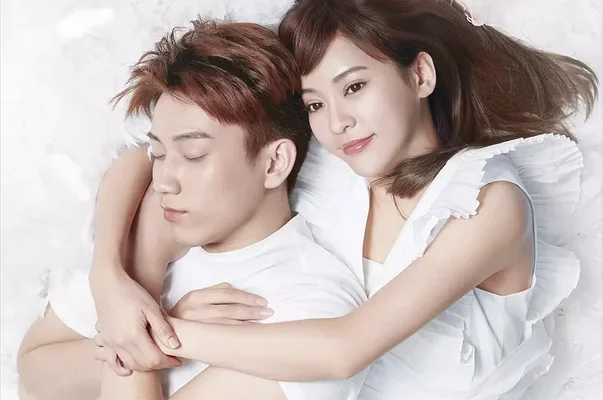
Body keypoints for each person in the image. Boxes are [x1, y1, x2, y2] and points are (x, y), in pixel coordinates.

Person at [74, 0, 600, 399]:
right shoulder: (341, 161)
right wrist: (111, 281)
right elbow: (142, 157)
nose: (336, 121)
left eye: (354, 87)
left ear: (420, 75)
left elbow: (344, 350)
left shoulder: (487, 203)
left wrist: (153, 329)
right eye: (315, 103)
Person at [17, 19, 368, 400]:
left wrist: (148, 308)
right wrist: (153, 311)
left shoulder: (311, 306)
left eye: (194, 155)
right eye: (159, 154)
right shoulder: (152, 230)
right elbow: (33, 371)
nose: (164, 181)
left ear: (274, 163)